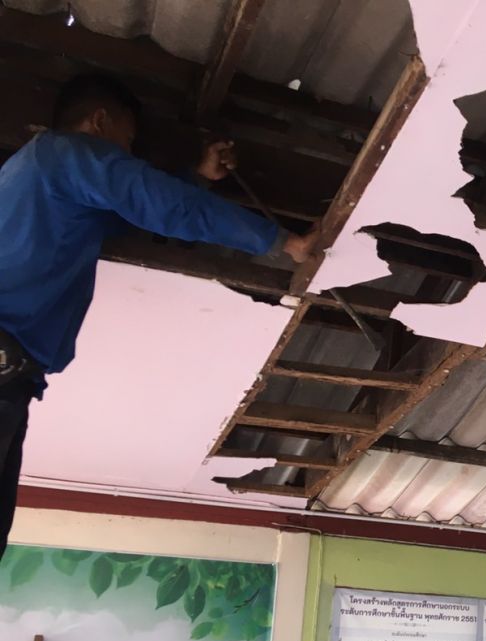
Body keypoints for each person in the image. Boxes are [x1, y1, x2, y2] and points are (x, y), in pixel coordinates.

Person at [0, 74, 317, 558]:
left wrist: (198, 178)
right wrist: (282, 242)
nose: (127, 154)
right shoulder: (63, 153)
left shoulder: (36, 175)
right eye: (127, 142)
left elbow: (134, 213)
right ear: (99, 121)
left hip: (13, 376)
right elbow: (152, 199)